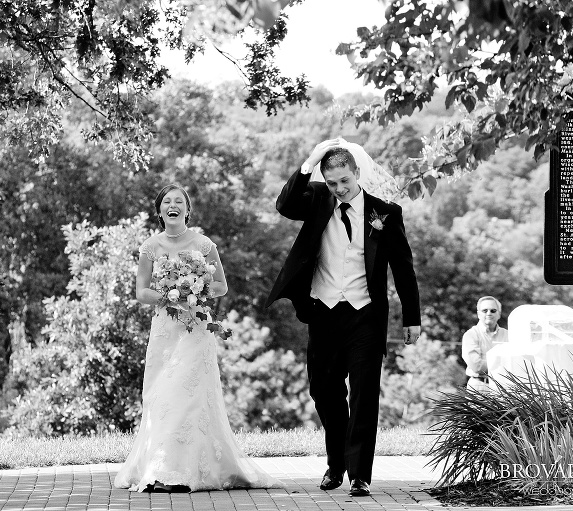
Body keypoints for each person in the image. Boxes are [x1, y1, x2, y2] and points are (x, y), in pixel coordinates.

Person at [265, 138, 421, 497]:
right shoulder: (318, 201)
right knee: (323, 392)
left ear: (356, 174)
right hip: (323, 312)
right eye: (332, 182)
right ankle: (336, 464)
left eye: (344, 182)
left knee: (364, 394)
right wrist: (308, 165)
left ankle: (359, 474)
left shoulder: (385, 213)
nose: (339, 189)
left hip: (365, 315)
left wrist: (411, 318)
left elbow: (404, 269)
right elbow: (285, 204)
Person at [114, 184, 282, 493]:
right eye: (167, 201)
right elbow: (141, 292)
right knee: (162, 395)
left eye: (179, 201)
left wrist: (198, 290)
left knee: (190, 396)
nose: (173, 205)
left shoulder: (205, 244)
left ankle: (184, 472)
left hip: (196, 328)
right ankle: (161, 467)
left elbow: (221, 286)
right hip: (165, 330)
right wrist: (169, 294)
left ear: (188, 210)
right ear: (160, 210)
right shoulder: (150, 247)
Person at [461, 296, 508, 390]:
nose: (489, 313)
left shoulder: (508, 335)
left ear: (499, 314)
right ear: (478, 314)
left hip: (504, 387)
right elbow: (477, 366)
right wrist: (503, 365)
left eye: (493, 310)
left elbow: (517, 361)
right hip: (480, 387)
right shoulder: (471, 335)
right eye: (485, 310)